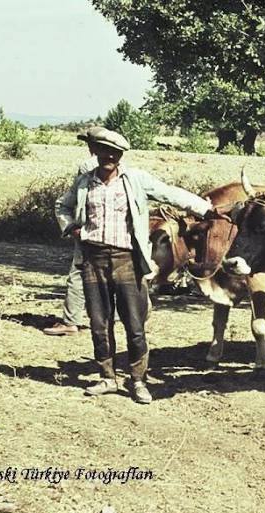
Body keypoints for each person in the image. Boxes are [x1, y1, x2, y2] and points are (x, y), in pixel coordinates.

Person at [55, 128, 216, 404]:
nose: (109, 156)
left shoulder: (136, 180)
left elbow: (168, 193)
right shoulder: (84, 183)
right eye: (103, 150)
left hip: (127, 261)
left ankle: (138, 381)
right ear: (93, 151)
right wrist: (71, 228)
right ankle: (107, 377)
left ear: (121, 155)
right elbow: (62, 205)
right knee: (99, 323)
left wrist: (205, 209)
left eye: (115, 152)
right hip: (94, 260)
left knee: (134, 323)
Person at [44, 126, 104, 336]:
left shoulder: (87, 166)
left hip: (89, 228)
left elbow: (78, 198)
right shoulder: (121, 165)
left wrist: (74, 227)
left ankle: (71, 321)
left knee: (78, 273)